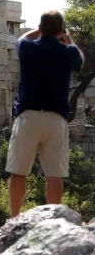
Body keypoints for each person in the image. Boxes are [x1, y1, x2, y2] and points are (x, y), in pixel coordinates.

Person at [7, 11, 84, 217]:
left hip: (28, 116)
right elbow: (79, 61)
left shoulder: (28, 49)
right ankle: (54, 219)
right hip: (55, 119)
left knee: (18, 171)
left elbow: (21, 38)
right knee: (55, 175)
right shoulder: (67, 52)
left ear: (40, 29)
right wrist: (67, 39)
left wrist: (39, 31)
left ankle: (14, 216)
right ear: (60, 30)